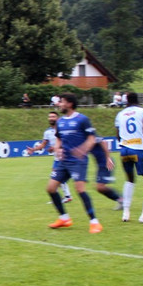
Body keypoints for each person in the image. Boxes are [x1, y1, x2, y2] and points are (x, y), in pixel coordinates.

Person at [46, 92, 102, 233]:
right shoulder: (60, 122)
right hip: (64, 161)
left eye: (62, 102)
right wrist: (57, 148)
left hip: (78, 161)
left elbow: (91, 138)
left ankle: (94, 222)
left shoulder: (82, 119)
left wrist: (82, 150)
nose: (59, 104)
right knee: (51, 188)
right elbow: (59, 138)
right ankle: (64, 218)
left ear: (69, 104)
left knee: (80, 190)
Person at [114, 91, 143, 223]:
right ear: (137, 100)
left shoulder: (120, 114)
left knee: (129, 180)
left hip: (124, 150)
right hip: (138, 149)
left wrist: (124, 144)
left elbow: (117, 134)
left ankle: (126, 213)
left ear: (126, 101)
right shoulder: (142, 111)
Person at [26, 111, 72, 204]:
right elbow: (43, 145)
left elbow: (68, 142)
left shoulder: (64, 129)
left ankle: (65, 197)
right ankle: (63, 197)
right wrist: (33, 149)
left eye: (53, 116)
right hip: (57, 158)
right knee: (56, 177)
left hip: (65, 156)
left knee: (56, 177)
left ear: (58, 118)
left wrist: (55, 147)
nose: (51, 118)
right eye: (50, 117)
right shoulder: (47, 132)